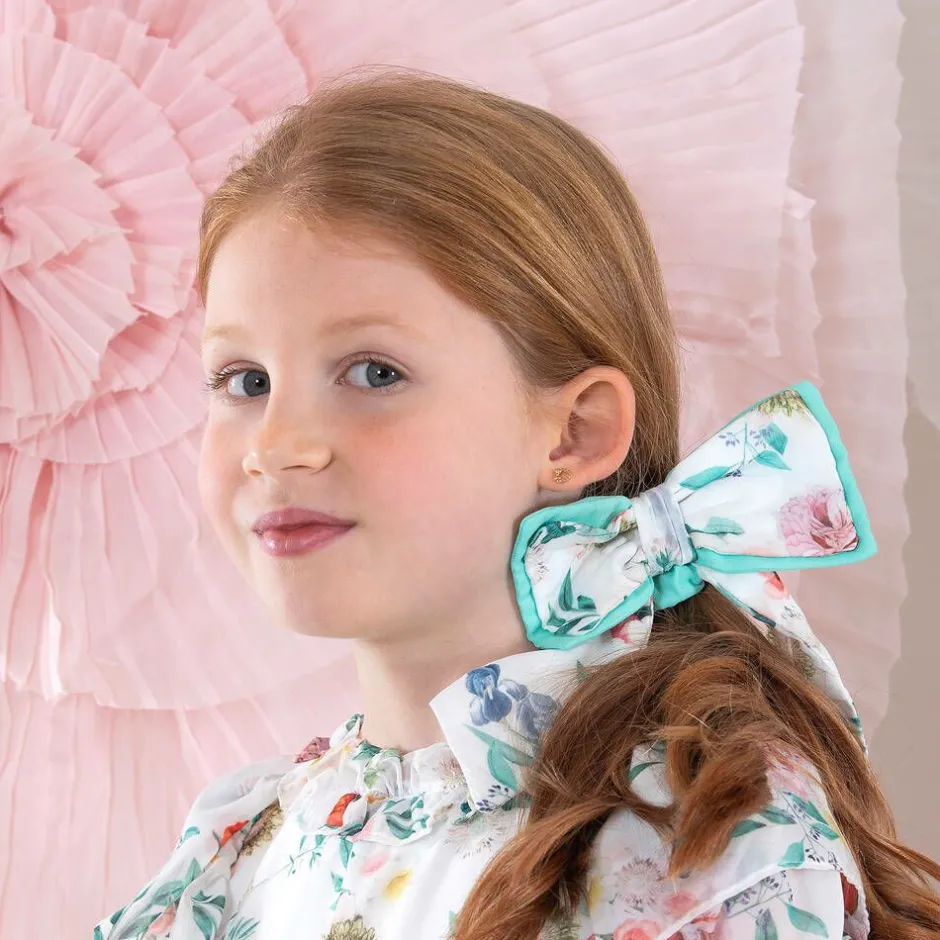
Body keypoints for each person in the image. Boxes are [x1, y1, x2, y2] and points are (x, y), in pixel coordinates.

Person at [93, 69, 940, 940]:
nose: (276, 445)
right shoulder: (243, 854)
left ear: (574, 432)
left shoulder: (696, 850)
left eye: (374, 372)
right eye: (245, 380)